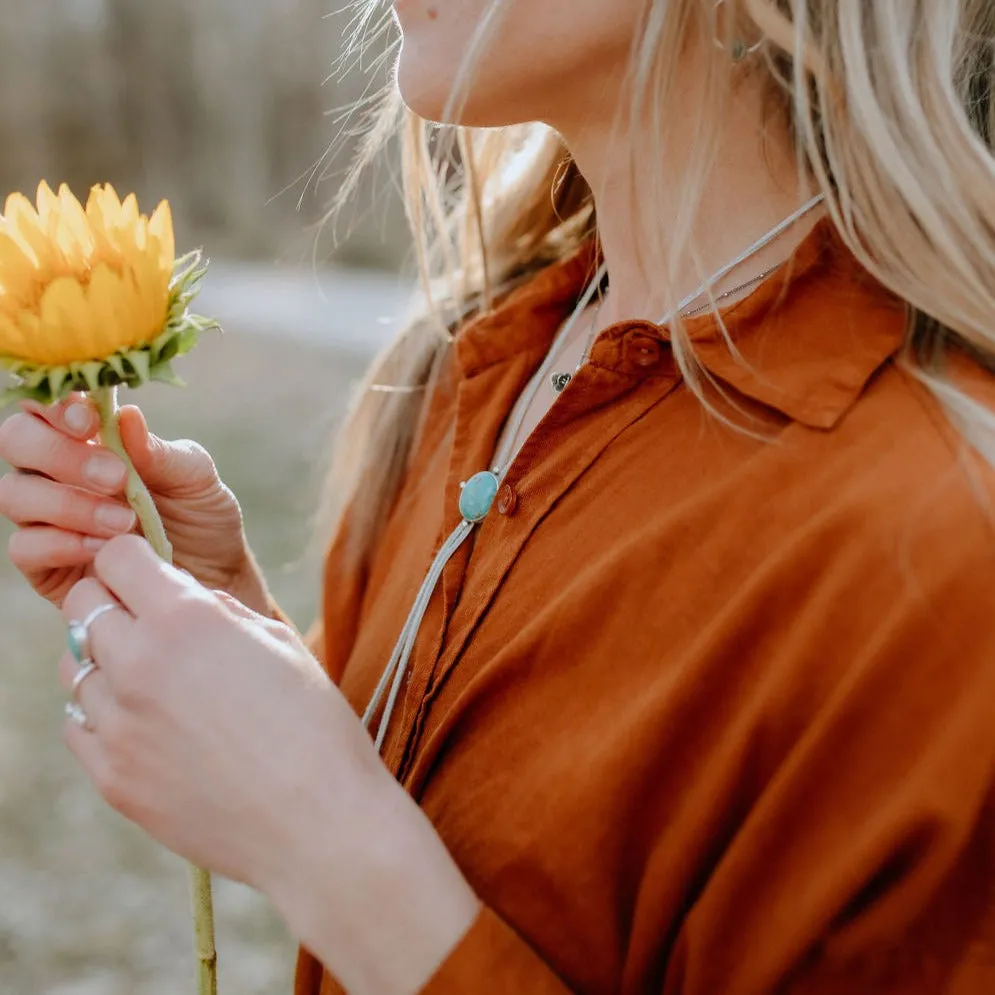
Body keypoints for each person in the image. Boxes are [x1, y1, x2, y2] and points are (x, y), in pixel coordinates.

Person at [2, 0, 995, 991]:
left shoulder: (938, 548)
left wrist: (328, 843)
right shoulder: (472, 362)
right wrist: (225, 629)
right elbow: (463, 825)